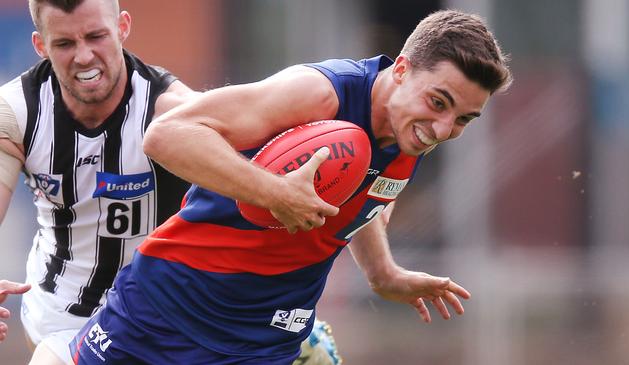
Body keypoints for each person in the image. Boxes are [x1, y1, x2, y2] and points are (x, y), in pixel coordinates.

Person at [70, 8, 512, 365]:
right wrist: (275, 194)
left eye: (463, 120)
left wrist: (383, 274)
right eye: (439, 103)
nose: (442, 128)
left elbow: (365, 200)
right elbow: (166, 135)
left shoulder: (409, 133)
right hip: (164, 313)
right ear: (401, 69)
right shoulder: (319, 96)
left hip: (264, 342)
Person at [0, 1, 346, 364]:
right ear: (41, 45)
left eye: (96, 36)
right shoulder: (16, 112)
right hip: (63, 315)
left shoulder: (175, 111)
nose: (84, 56)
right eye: (65, 44)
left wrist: (367, 232)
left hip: (166, 315)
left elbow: (310, 160)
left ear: (122, 27)